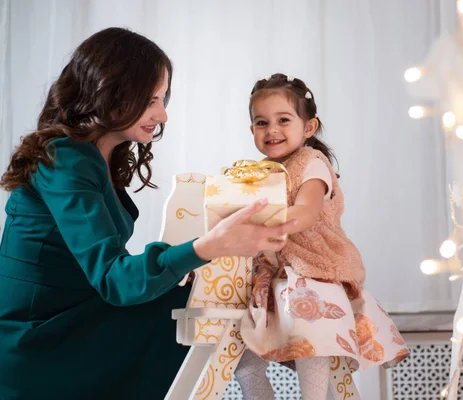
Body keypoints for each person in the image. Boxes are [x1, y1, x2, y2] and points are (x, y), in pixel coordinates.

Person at [0, 28, 296, 400]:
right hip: (40, 344)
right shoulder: (67, 160)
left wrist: (186, 261)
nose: (163, 114)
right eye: (152, 99)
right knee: (185, 309)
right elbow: (114, 278)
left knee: (194, 300)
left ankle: (270, 355)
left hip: (70, 324)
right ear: (112, 92)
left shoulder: (98, 157)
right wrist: (206, 247)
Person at [234, 73, 409, 400]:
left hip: (314, 266)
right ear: (252, 130)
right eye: (261, 122)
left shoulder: (311, 164)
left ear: (308, 127)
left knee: (311, 338)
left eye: (283, 120)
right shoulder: (260, 171)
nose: (272, 129)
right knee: (244, 360)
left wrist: (255, 220)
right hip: (274, 271)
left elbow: (304, 213)